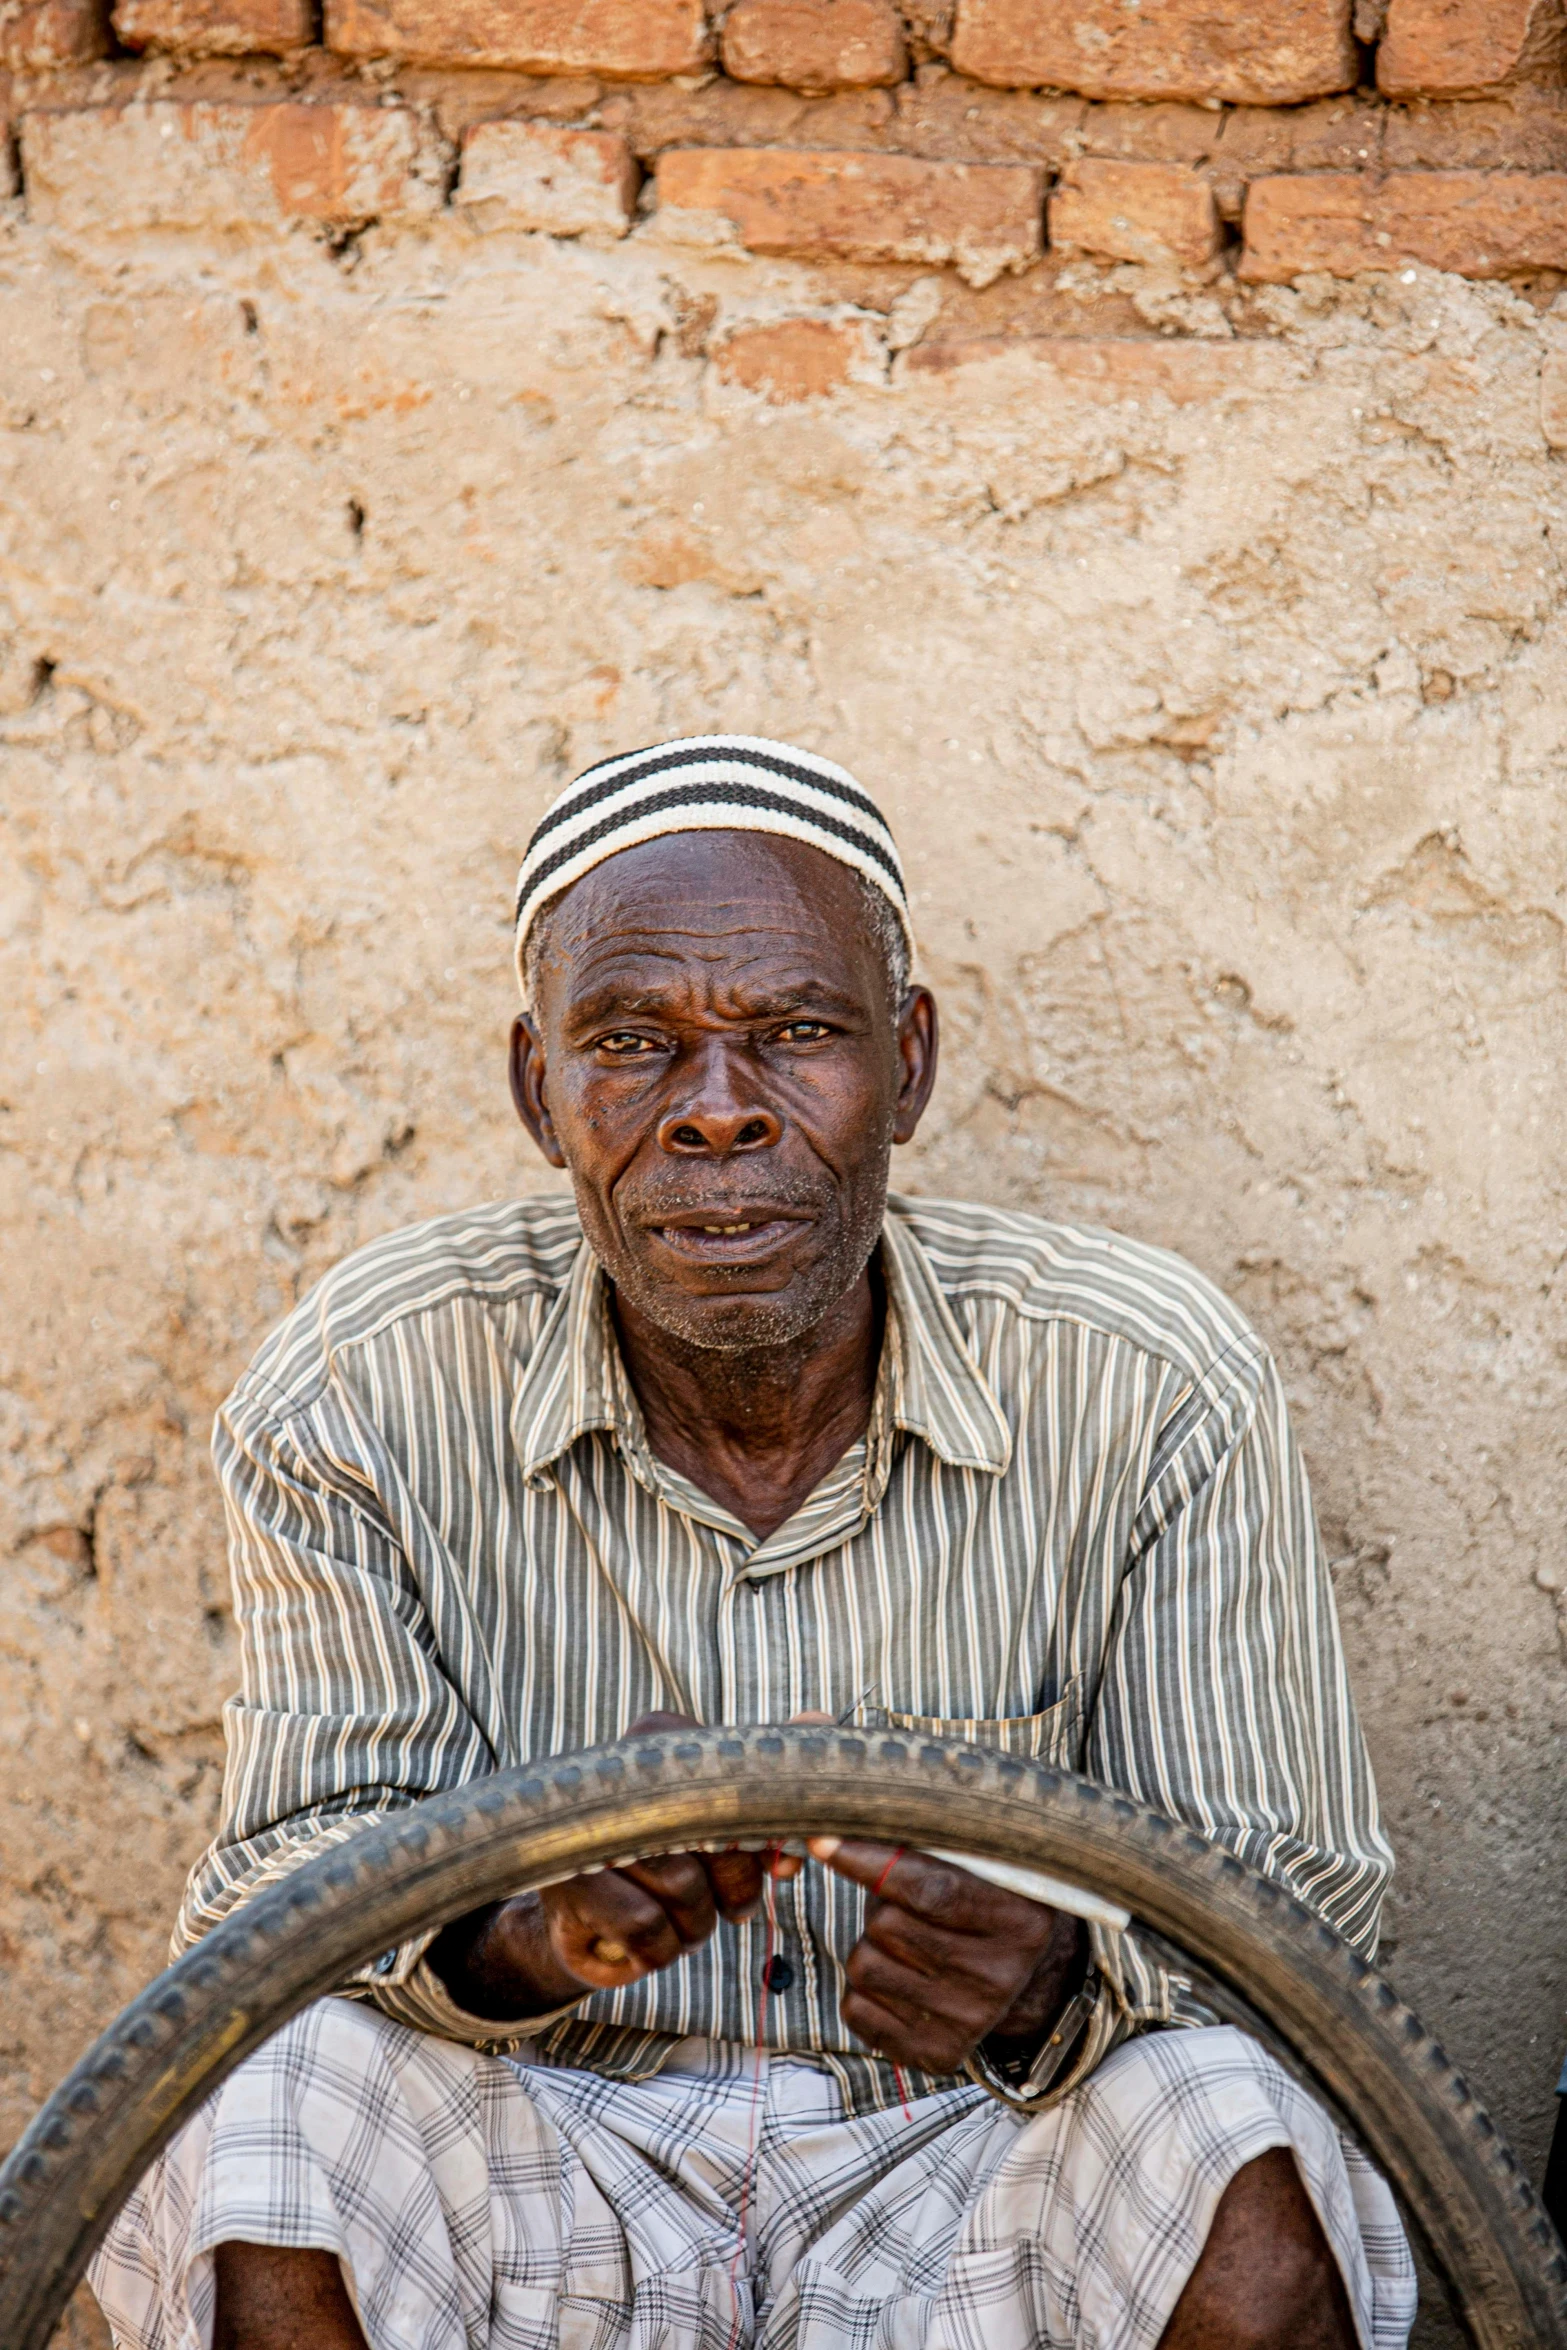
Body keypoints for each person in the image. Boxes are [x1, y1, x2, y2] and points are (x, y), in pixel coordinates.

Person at [90, 736, 1417, 2350]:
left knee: (1233, 2117)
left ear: (909, 1062)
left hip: (972, 2155)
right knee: (276, 2101)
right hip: (545, 2144)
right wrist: (523, 1927)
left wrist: (1062, 1976)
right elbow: (269, 1909)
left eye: (795, 1034)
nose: (716, 1114)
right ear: (539, 1090)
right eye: (631, 1044)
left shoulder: (1143, 1378)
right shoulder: (366, 1384)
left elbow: (1300, 1920)